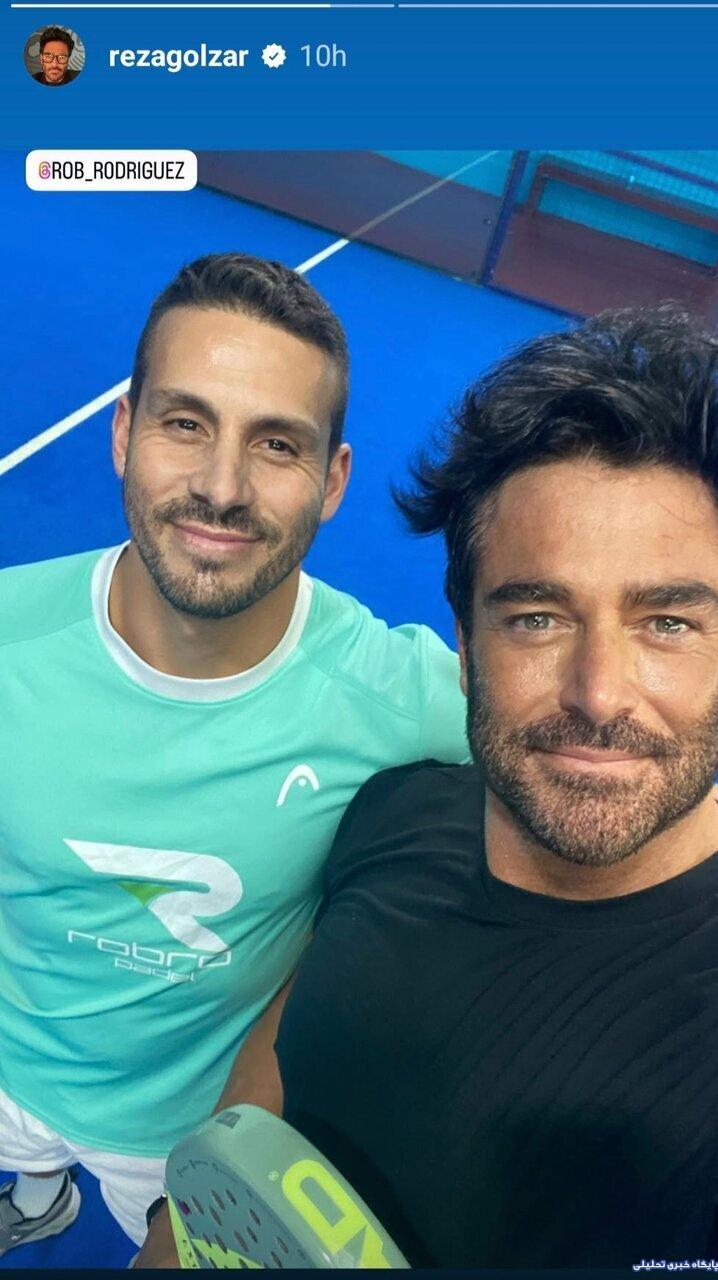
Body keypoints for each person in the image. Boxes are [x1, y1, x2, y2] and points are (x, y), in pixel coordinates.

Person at [187, 305, 718, 1269]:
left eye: (666, 624)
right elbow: (288, 1042)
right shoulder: (393, 812)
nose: (598, 694)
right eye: (536, 617)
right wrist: (176, 1228)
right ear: (466, 642)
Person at [0, 253, 471, 1258]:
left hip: (189, 1130)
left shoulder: (388, 689)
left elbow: (581, 758)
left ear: (332, 481)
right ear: (122, 432)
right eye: (185, 423)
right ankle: (38, 1195)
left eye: (276, 443)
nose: (220, 487)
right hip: (10, 1062)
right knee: (27, 1152)